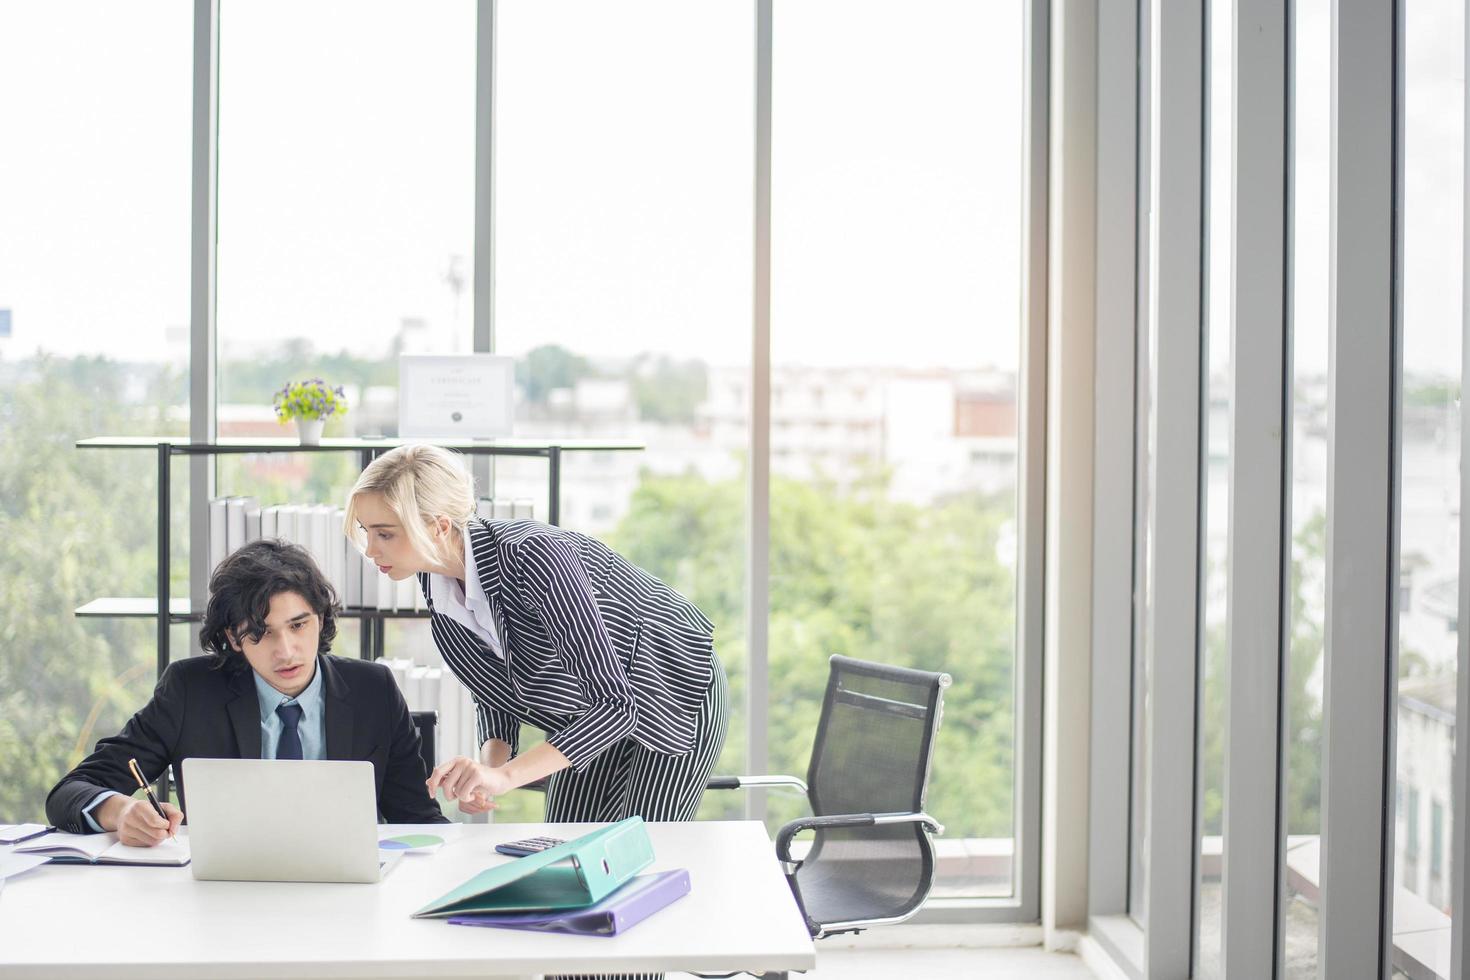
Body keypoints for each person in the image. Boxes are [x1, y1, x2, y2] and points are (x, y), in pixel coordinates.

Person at [344, 444, 730, 827]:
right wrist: (488, 771)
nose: (370, 549)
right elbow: (494, 686)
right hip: (587, 712)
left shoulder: (533, 555)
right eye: (366, 532)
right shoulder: (437, 582)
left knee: (640, 845)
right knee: (563, 845)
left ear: (439, 526)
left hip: (671, 688)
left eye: (385, 534)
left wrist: (506, 777)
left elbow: (616, 704)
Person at [46, 539, 447, 845]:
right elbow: (69, 793)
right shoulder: (190, 691)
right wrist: (122, 810)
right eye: (261, 633)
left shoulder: (372, 690)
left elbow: (420, 822)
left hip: (351, 896)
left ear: (321, 619)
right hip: (224, 899)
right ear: (233, 640)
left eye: (298, 625)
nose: (286, 651)